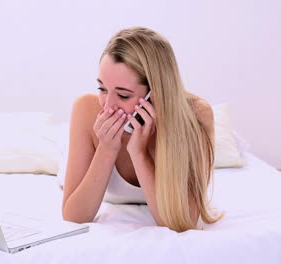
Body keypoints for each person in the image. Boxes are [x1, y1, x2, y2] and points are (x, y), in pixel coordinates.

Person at [61, 26, 224, 232]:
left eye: (123, 95)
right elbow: (74, 217)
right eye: (102, 88)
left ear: (155, 94)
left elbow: (182, 223)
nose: (108, 105)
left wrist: (139, 154)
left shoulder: (197, 115)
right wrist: (107, 149)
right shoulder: (86, 109)